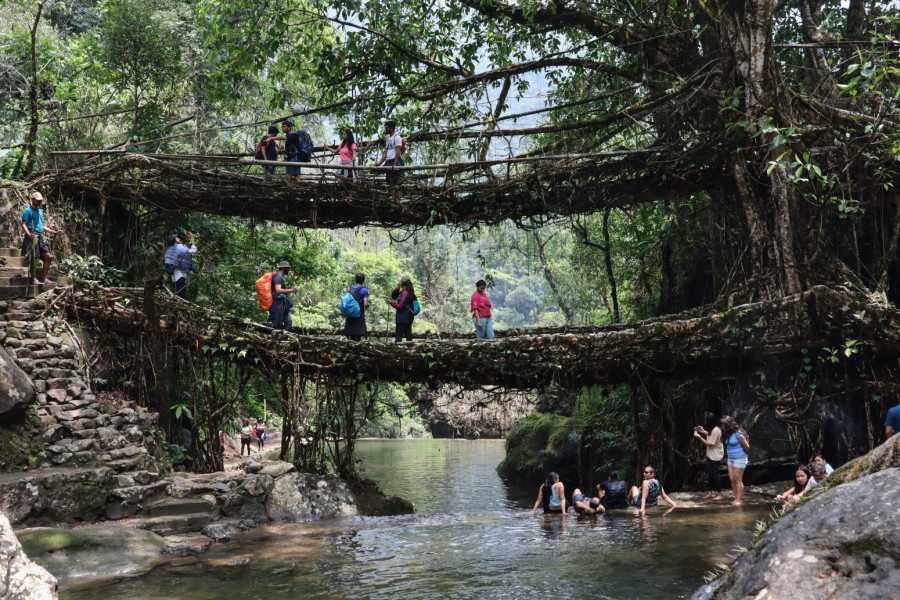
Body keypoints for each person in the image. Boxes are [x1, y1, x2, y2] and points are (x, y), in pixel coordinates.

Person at [21, 192, 62, 285]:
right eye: (38, 200)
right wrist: (28, 234)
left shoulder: (40, 211)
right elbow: (23, 224)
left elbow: (42, 226)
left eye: (41, 200)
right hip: (32, 236)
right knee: (33, 258)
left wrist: (55, 232)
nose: (40, 202)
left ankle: (45, 279)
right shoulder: (27, 211)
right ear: (33, 200)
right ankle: (33, 278)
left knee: (48, 256)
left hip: (40, 236)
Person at [694, 411, 726, 500]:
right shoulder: (713, 429)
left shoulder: (716, 430)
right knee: (710, 474)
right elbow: (710, 435)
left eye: (705, 420)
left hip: (715, 456)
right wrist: (703, 431)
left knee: (714, 474)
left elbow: (710, 444)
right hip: (710, 454)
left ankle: (720, 494)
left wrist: (699, 437)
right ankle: (710, 493)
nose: (704, 421)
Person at [721, 415, 750, 505]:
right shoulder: (727, 434)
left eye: (723, 425)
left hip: (740, 458)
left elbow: (747, 447)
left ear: (728, 424)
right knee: (732, 479)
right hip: (730, 458)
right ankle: (736, 497)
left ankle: (739, 500)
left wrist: (744, 455)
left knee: (738, 479)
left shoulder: (738, 433)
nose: (722, 427)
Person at [164, 232, 198, 299]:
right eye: (177, 238)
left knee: (178, 295)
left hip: (174, 276)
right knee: (182, 297)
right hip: (180, 275)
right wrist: (192, 238)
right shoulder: (179, 247)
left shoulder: (170, 249)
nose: (179, 238)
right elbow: (193, 250)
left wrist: (186, 239)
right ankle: (181, 309)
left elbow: (184, 250)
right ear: (175, 240)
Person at [375, 120, 404, 198]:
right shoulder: (388, 139)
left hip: (395, 160)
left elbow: (398, 150)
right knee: (391, 181)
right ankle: (394, 199)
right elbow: (385, 153)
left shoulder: (397, 137)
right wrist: (379, 163)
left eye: (387, 128)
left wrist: (395, 163)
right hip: (388, 161)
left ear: (391, 128)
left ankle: (399, 201)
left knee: (398, 182)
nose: (386, 129)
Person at [269, 261, 297, 335]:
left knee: (288, 322)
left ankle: (282, 341)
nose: (288, 270)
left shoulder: (280, 277)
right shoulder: (277, 277)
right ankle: (274, 343)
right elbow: (278, 290)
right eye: (288, 268)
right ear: (284, 268)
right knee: (277, 325)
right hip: (277, 304)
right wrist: (292, 290)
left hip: (282, 303)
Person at [389, 276, 416, 343]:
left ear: (402, 284)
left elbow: (401, 306)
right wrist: (397, 289)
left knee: (399, 338)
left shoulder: (405, 293)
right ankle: (410, 351)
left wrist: (391, 303)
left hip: (402, 318)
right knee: (408, 336)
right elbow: (394, 296)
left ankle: (399, 352)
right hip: (408, 317)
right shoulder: (407, 292)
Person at [344, 272, 369, 341]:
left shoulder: (350, 289)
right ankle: (357, 348)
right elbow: (365, 304)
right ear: (363, 280)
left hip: (350, 314)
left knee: (350, 332)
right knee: (358, 333)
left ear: (355, 280)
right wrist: (368, 305)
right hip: (359, 314)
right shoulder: (364, 290)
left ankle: (350, 348)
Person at [471, 279, 494, 344]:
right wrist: (479, 321)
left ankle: (490, 352)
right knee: (480, 337)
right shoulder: (475, 295)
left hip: (487, 318)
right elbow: (475, 309)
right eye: (481, 288)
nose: (482, 290)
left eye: (483, 288)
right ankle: (480, 353)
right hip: (480, 318)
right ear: (477, 287)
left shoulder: (483, 294)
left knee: (491, 336)